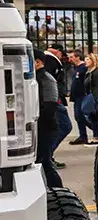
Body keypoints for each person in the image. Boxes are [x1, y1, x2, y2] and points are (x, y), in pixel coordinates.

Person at [34, 49, 63, 187]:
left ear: (37, 62)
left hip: (47, 128)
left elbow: (50, 105)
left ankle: (58, 189)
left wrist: (39, 124)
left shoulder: (45, 78)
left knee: (44, 162)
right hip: (44, 127)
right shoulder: (38, 77)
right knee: (44, 162)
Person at [43, 43, 73, 167]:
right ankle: (47, 157)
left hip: (54, 100)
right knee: (64, 126)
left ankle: (47, 156)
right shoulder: (50, 60)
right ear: (58, 51)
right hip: (55, 101)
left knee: (58, 128)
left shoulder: (47, 59)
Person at [67, 49, 98, 144]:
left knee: (83, 116)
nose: (70, 59)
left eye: (72, 57)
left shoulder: (83, 68)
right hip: (77, 96)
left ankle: (96, 132)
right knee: (79, 117)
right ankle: (84, 135)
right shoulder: (77, 68)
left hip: (82, 96)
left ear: (77, 57)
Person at [84, 53, 98, 142]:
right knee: (91, 117)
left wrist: (96, 98)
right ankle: (96, 134)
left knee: (94, 117)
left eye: (88, 59)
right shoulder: (89, 73)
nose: (85, 61)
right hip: (91, 97)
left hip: (95, 98)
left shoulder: (96, 72)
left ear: (93, 60)